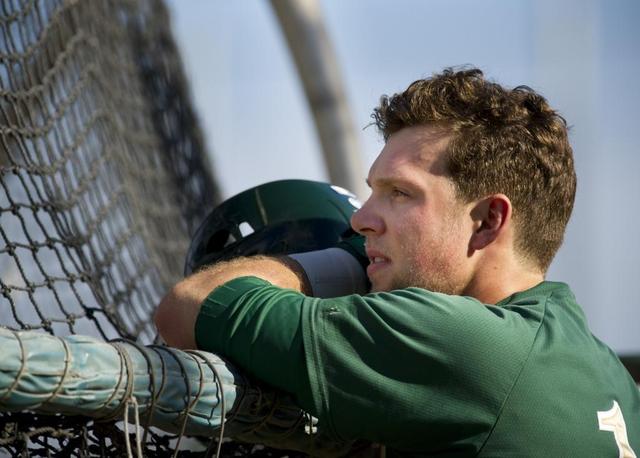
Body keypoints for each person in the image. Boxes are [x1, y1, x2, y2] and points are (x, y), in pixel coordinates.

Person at [155, 67, 639, 457]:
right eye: (371, 193)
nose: (362, 219)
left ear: (489, 220)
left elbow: (189, 305)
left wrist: (344, 260)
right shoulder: (605, 369)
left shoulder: (464, 342)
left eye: (400, 194)